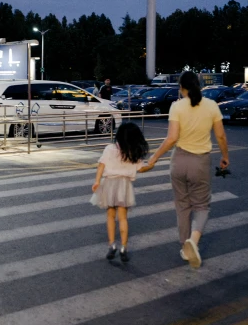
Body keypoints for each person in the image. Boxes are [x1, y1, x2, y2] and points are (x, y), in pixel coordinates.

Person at [140, 71, 230, 269]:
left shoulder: (176, 107)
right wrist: (225, 157)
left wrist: (153, 158)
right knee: (202, 206)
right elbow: (221, 136)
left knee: (182, 206)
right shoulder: (212, 106)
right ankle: (193, 241)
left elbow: (171, 138)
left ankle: (184, 246)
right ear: (198, 85)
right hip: (200, 163)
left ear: (181, 88)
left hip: (178, 161)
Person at [91, 122, 149, 262]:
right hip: (124, 185)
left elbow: (101, 165)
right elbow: (141, 168)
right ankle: (124, 247)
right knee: (123, 217)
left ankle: (112, 245)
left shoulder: (110, 148)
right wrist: (152, 164)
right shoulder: (132, 152)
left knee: (110, 215)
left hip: (109, 183)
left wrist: (97, 181)